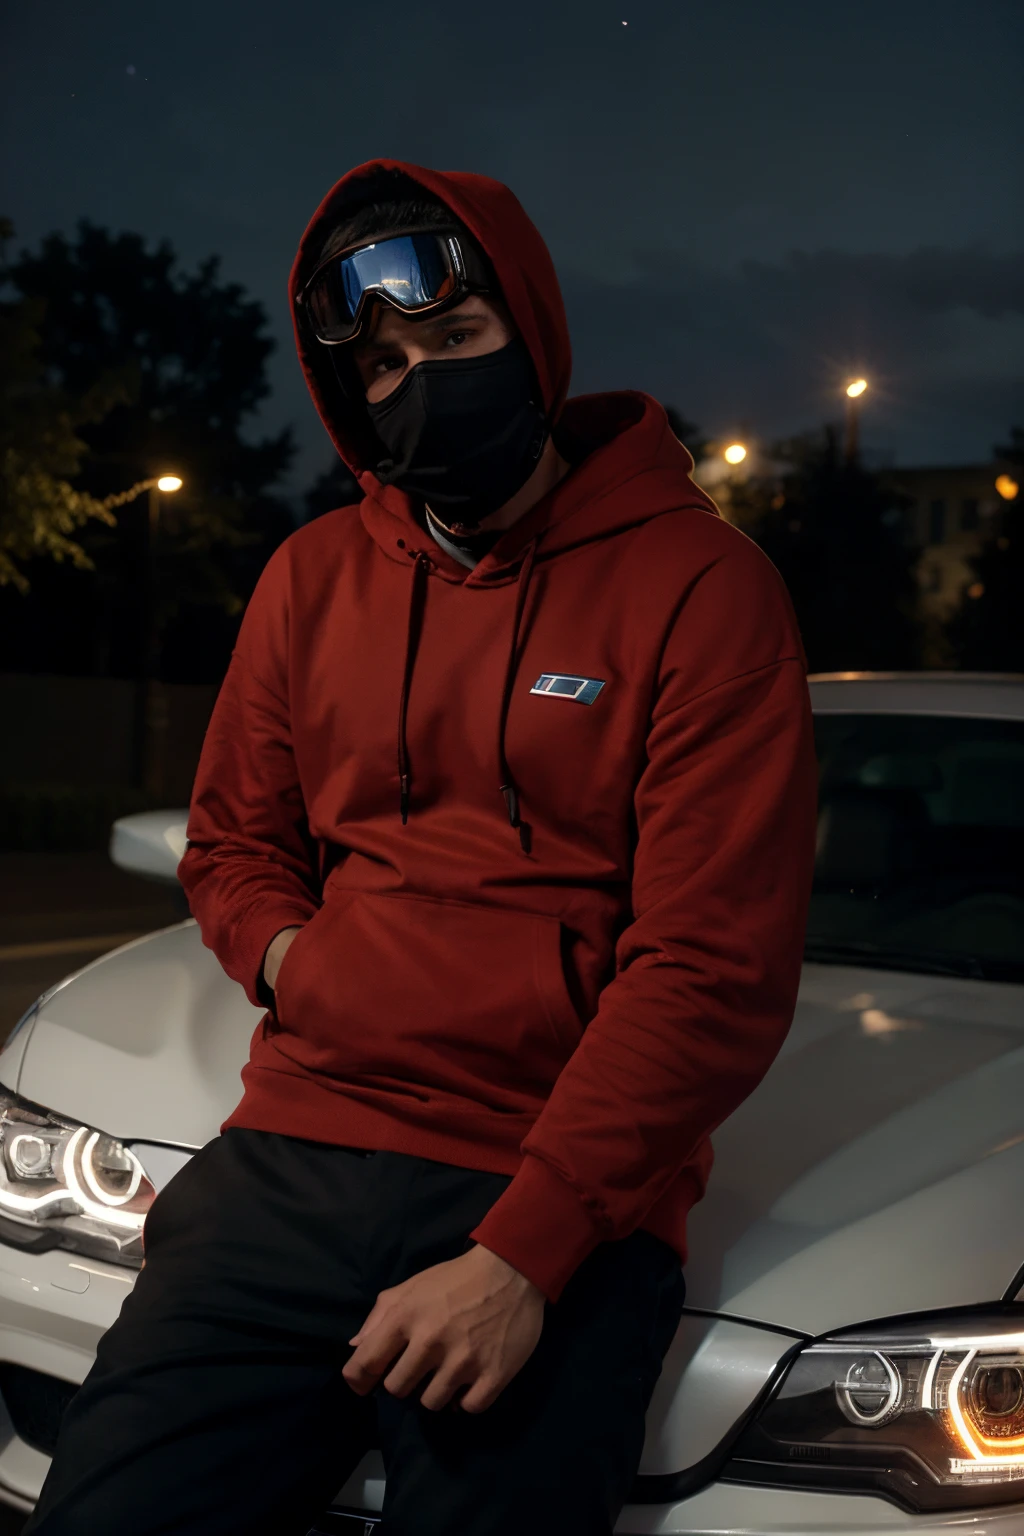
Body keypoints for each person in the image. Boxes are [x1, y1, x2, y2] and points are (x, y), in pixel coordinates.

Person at [24, 161, 818, 1536]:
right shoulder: (313, 578)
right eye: (383, 363)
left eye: (456, 341)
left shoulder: (703, 589)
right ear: (348, 395)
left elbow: (711, 967)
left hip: (551, 1183)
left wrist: (525, 1253)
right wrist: (297, 963)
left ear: (533, 331)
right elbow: (232, 842)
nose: (420, 382)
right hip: (291, 1158)